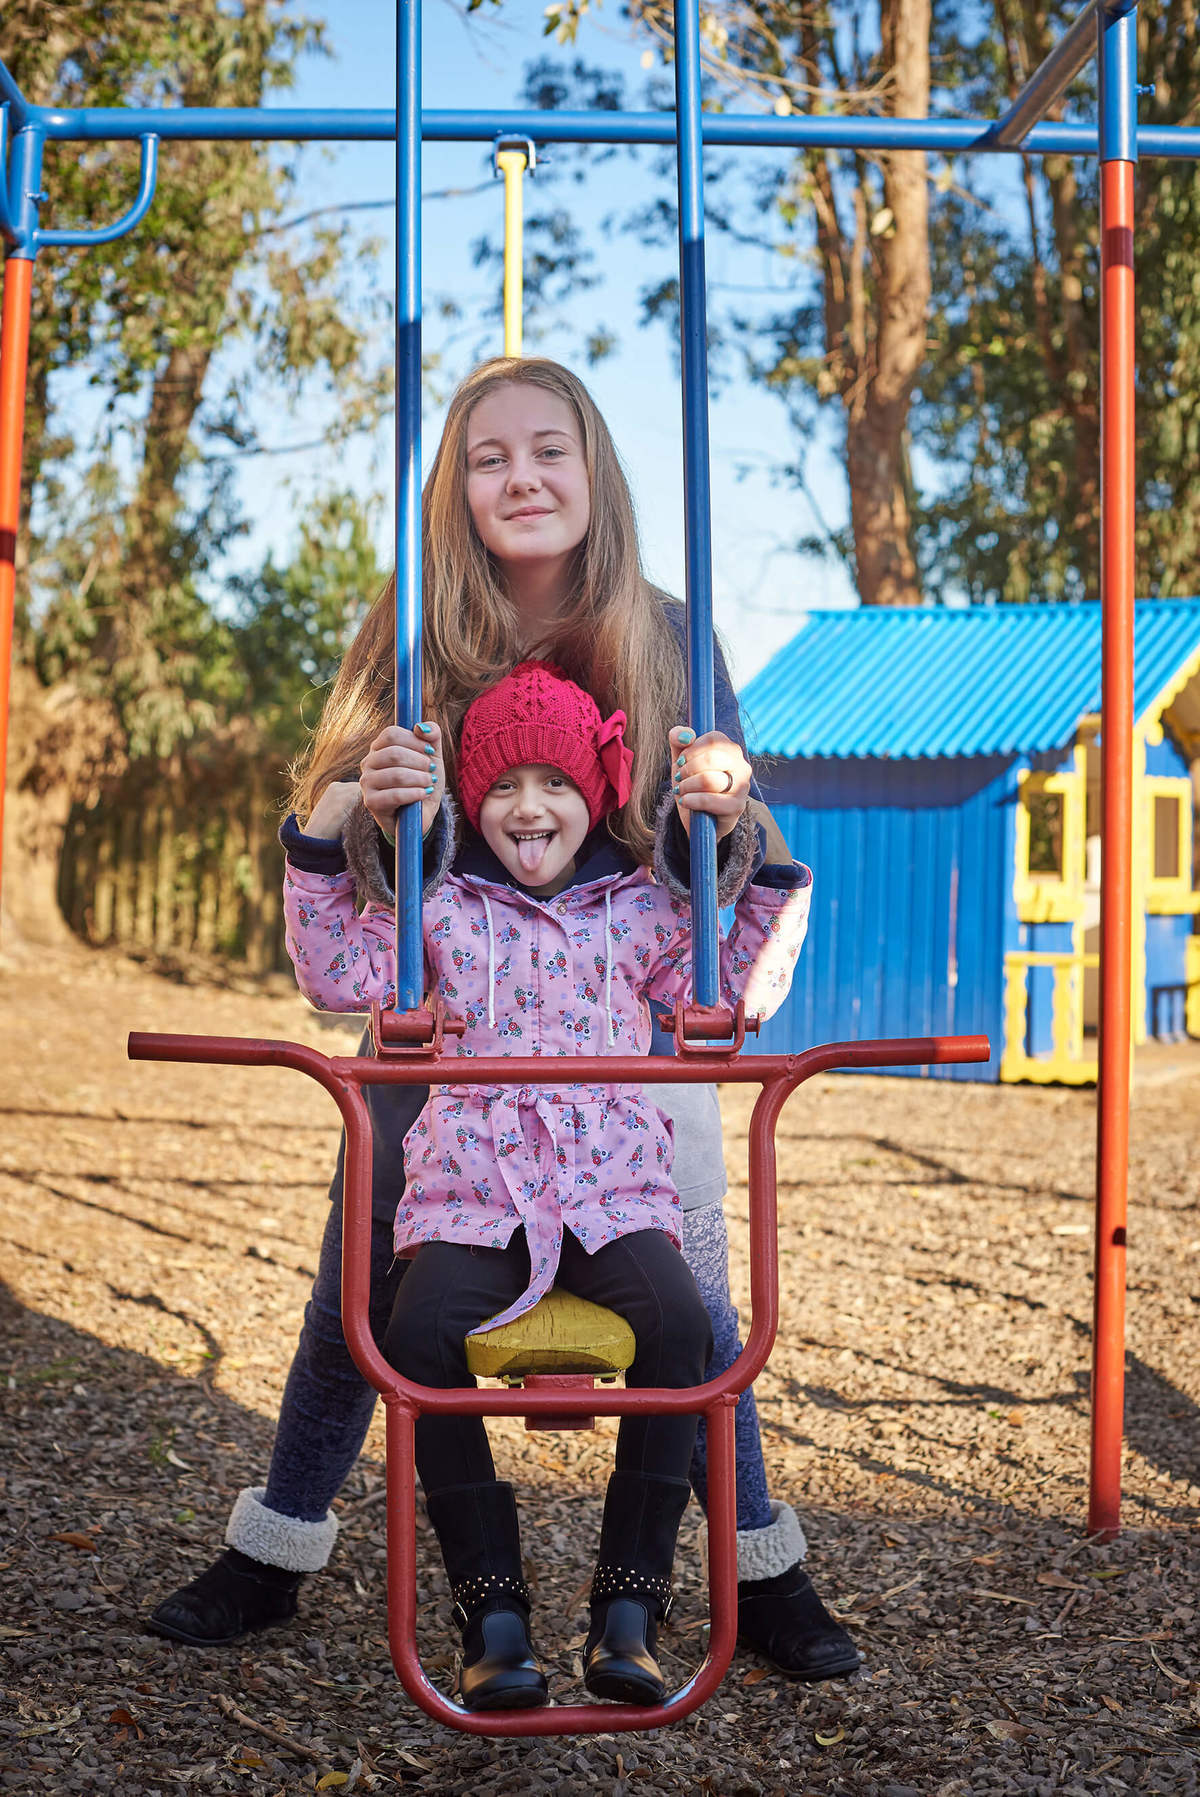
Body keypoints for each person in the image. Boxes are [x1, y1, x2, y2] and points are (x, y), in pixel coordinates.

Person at [148, 356, 858, 1683]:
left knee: (693, 1294)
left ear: (596, 474)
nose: (521, 478)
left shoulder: (664, 630)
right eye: (489, 458)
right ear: (455, 487)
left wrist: (725, 805)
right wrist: (364, 791)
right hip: (449, 1008)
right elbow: (337, 833)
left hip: (616, 1021)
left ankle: (759, 1565)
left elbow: (734, 861)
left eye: (550, 452)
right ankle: (277, 1545)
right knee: (361, 1286)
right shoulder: (416, 626)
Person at [282, 658, 813, 1709]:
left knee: (685, 1332)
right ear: (470, 803)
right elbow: (333, 968)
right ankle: (491, 1610)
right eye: (504, 787)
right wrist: (330, 825)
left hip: (612, 1190)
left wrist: (747, 831)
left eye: (558, 786)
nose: (530, 809)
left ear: (598, 798)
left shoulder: (638, 913)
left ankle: (630, 1604)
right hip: (472, 1197)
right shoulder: (440, 911)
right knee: (415, 1334)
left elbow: (745, 979)